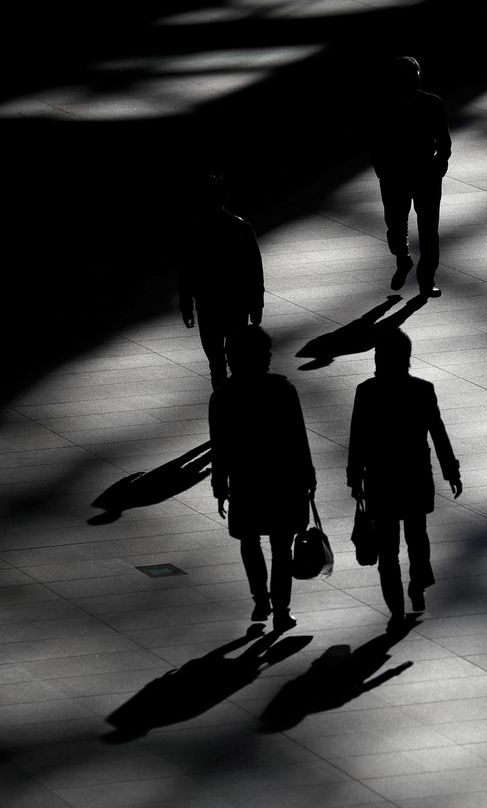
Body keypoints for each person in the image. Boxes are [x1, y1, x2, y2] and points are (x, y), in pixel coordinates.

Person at [347, 329, 461, 629]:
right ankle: (418, 584)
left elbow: (357, 438)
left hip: (381, 480)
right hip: (415, 477)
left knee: (388, 552)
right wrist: (451, 470)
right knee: (417, 539)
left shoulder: (367, 392)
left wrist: (354, 477)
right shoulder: (422, 390)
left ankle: (396, 610)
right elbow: (438, 433)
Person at [209, 326, 315, 631]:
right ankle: (282, 609)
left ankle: (260, 599)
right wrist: (308, 475)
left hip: (247, 480)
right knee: (282, 547)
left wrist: (220, 487)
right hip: (283, 480)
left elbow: (220, 448)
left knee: (249, 539)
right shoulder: (283, 391)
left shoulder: (223, 398)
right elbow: (298, 438)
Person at [371, 56, 451, 298]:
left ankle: (426, 280)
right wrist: (382, 170)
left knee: (428, 231)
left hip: (424, 173)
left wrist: (439, 166)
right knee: (395, 226)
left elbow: (444, 141)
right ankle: (403, 257)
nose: (413, 82)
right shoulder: (383, 106)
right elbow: (376, 143)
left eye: (414, 77)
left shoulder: (433, 104)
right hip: (395, 174)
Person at [179, 174, 265, 389]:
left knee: (216, 363)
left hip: (208, 305)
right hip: (236, 304)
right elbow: (254, 270)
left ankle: (222, 402)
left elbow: (187, 272)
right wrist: (257, 304)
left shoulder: (195, 231)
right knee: (238, 359)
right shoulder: (241, 228)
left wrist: (186, 305)